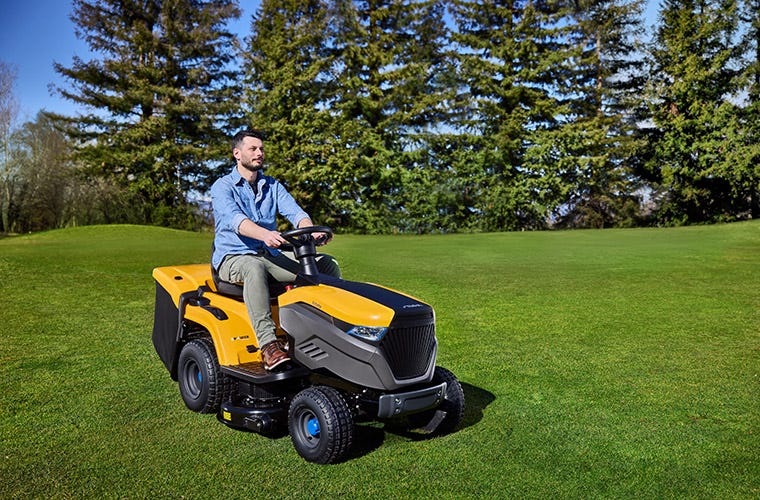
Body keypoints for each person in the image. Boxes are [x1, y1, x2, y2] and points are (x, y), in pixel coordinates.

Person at [210, 129, 341, 370]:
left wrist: (309, 229)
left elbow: (296, 213)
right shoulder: (222, 187)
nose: (259, 153)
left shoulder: (272, 185)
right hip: (234, 257)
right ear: (237, 154)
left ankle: (325, 331)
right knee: (254, 266)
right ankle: (269, 344)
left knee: (325, 264)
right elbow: (236, 220)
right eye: (253, 149)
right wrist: (265, 234)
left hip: (269, 254)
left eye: (261, 148)